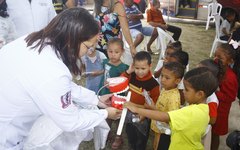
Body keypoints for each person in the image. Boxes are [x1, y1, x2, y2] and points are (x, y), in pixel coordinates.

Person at [0, 8, 122, 149]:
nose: (88, 52)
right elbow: (70, 121)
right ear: (72, 39)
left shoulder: (35, 41)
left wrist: (96, 100)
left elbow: (63, 86)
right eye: (88, 46)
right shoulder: (52, 70)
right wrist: (105, 113)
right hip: (7, 135)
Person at [124, 67, 219, 150]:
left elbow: (165, 117)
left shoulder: (192, 112)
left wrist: (137, 109)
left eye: (186, 90)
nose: (183, 92)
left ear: (200, 94)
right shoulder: (204, 109)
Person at [121, 51, 160, 150]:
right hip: (129, 111)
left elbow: (155, 104)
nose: (140, 71)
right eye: (137, 68)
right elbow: (120, 82)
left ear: (150, 66)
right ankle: (132, 145)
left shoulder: (153, 84)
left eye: (143, 68)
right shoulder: (132, 75)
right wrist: (128, 72)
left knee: (141, 136)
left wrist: (145, 114)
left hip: (143, 115)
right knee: (130, 132)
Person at [97, 38, 129, 149]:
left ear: (122, 52)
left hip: (117, 96)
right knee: (106, 115)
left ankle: (118, 137)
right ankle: (107, 133)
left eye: (116, 52)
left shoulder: (123, 67)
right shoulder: (105, 62)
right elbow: (104, 72)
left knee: (118, 117)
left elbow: (124, 81)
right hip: (105, 93)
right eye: (110, 51)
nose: (113, 55)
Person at [150, 62, 184, 150]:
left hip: (164, 132)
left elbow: (170, 118)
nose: (162, 80)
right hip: (159, 128)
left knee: (159, 146)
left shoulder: (173, 98)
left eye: (167, 78)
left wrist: (153, 108)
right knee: (155, 145)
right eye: (162, 76)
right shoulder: (166, 88)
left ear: (177, 81)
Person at [211, 43, 239, 150]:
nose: (216, 59)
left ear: (230, 61)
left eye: (220, 58)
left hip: (221, 111)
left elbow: (230, 98)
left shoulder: (230, 78)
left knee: (215, 134)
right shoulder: (217, 69)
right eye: (215, 56)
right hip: (214, 107)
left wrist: (216, 91)